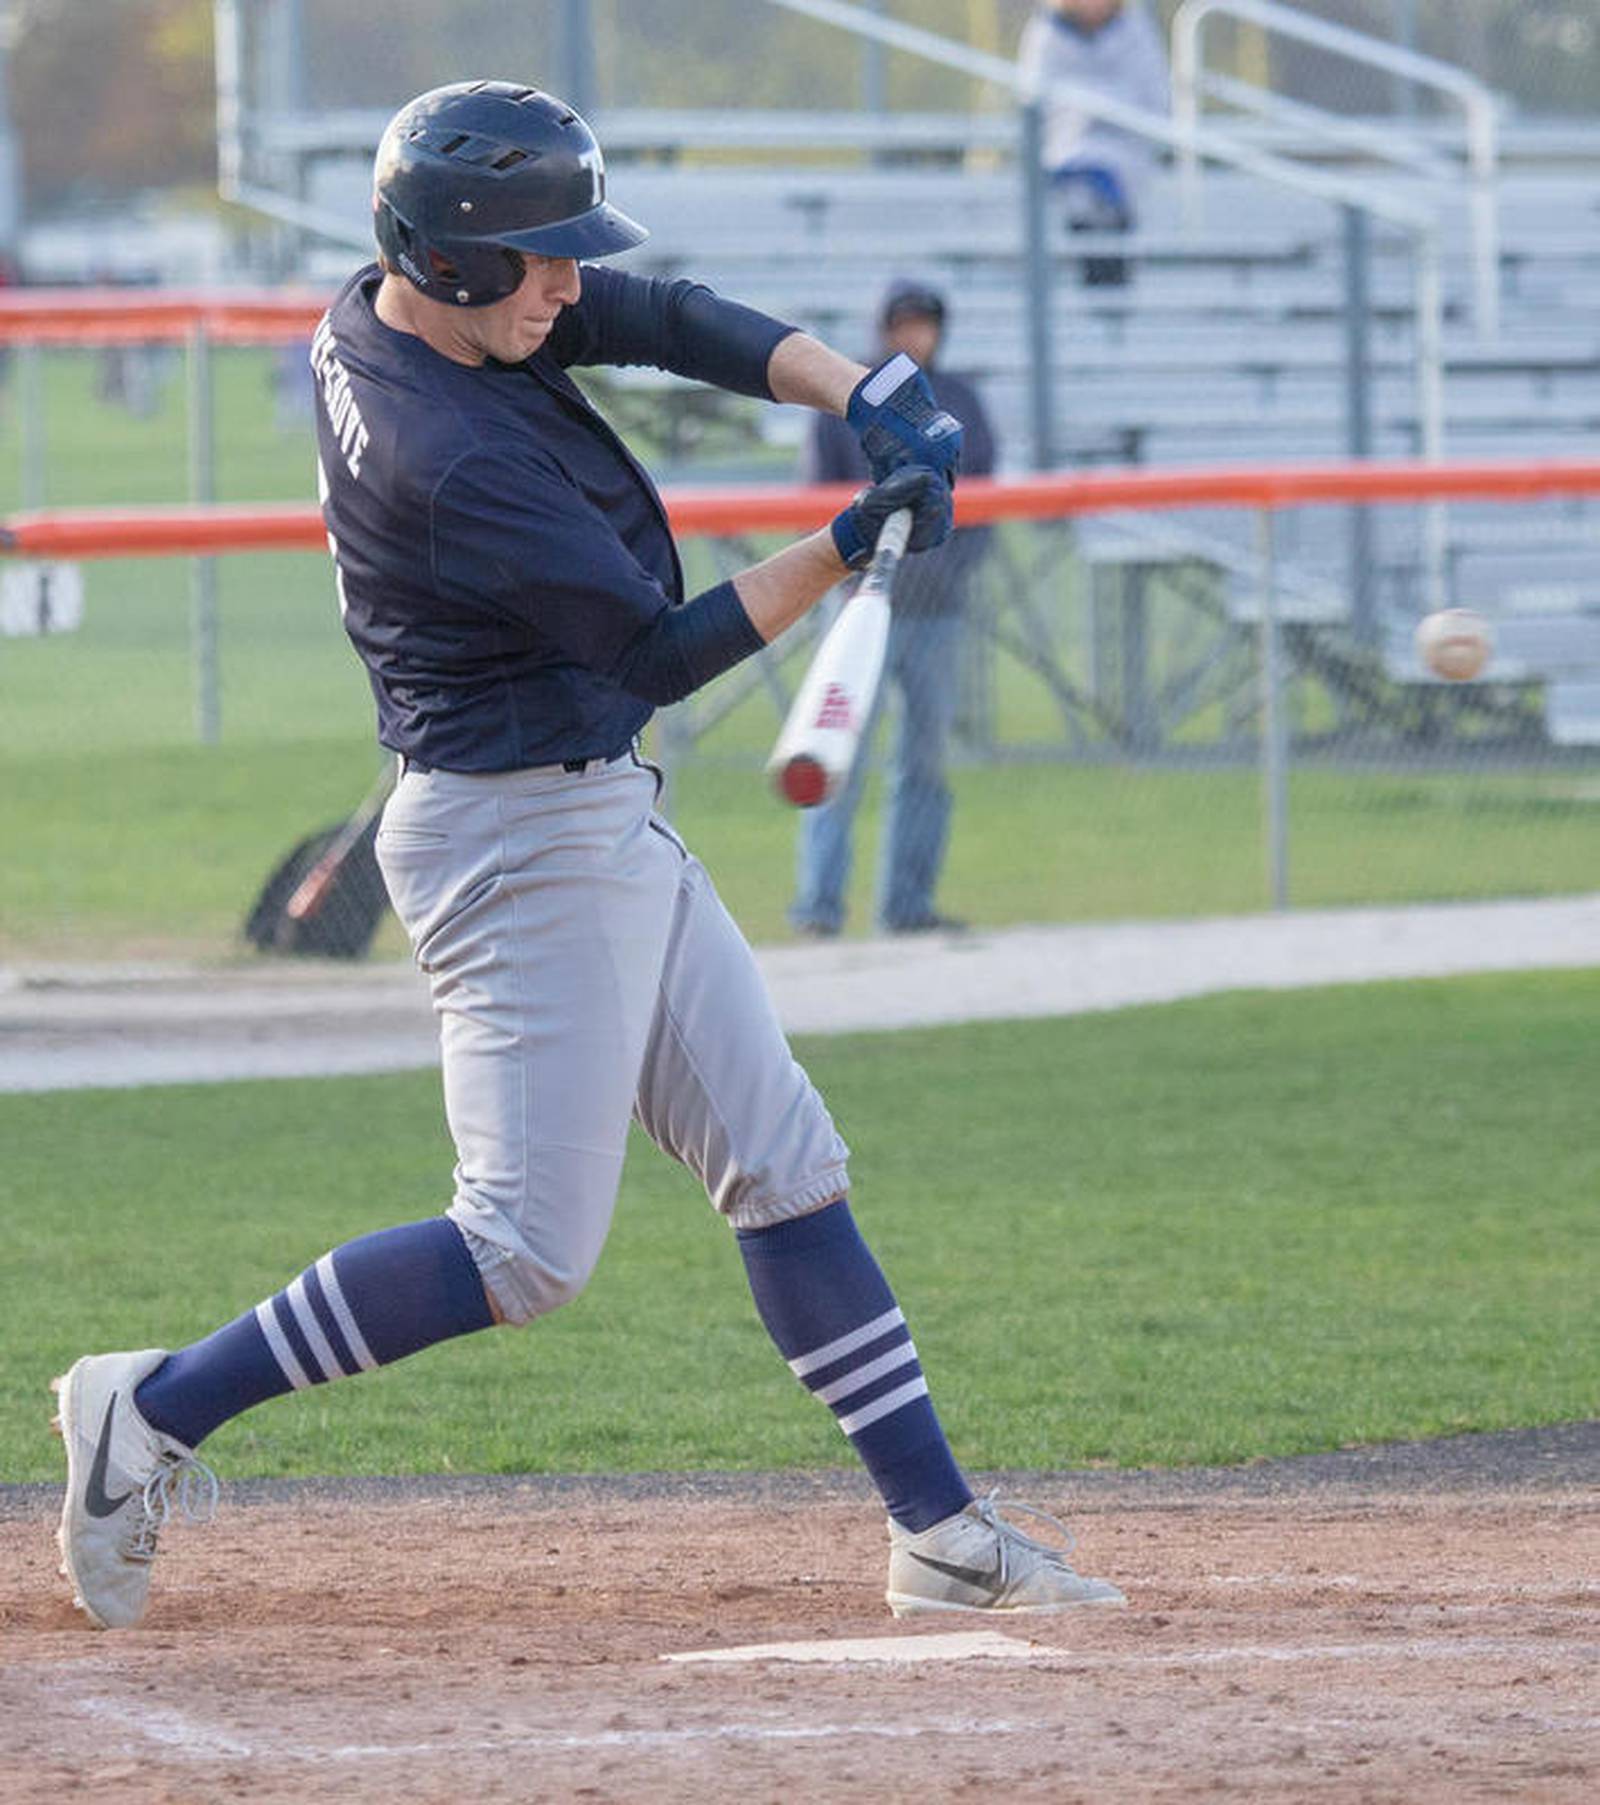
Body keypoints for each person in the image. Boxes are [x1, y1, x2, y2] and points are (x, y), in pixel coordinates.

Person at [50, 80, 1124, 1632]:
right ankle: (147, 1413)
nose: (567, 285)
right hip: (517, 838)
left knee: (782, 1160)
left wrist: (859, 389)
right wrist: (850, 537)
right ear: (462, 263)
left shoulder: (407, 304)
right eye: (539, 261)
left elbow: (657, 312)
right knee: (522, 1249)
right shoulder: (445, 457)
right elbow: (654, 654)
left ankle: (941, 1533)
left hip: (585, 803)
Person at [789, 279, 997, 939]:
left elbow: (986, 499)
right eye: (903, 323)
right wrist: (843, 570)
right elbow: (817, 494)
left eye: (925, 324)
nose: (915, 335)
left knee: (925, 762)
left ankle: (907, 904)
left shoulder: (959, 399)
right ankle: (819, 906)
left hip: (935, 608)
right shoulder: (846, 396)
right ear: (883, 327)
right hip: (858, 604)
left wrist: (947, 569)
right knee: (834, 755)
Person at [1017, 0, 1171, 284]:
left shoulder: (1136, 31)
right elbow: (1034, 101)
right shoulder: (1046, 32)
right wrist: (1086, 109)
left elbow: (1156, 99)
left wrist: (1098, 106)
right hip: (1067, 150)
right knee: (1081, 189)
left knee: (1109, 190)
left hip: (1126, 154)